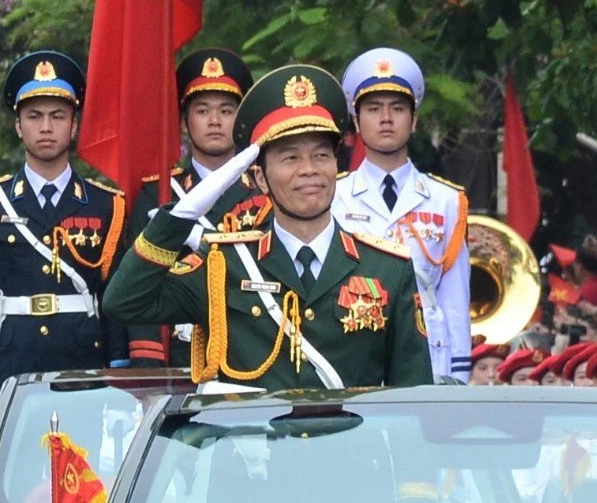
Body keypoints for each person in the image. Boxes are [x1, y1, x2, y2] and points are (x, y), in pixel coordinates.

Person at [104, 63, 432, 390]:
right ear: (260, 178)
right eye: (291, 158)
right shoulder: (224, 265)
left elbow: (413, 391)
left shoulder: (387, 267)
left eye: (321, 155)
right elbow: (124, 301)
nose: (309, 170)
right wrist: (179, 218)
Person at [0, 50, 128, 419]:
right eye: (34, 116)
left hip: (82, 372)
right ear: (19, 126)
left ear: (74, 125)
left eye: (57, 116)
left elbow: (114, 305)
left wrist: (121, 383)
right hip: (9, 372)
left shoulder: (106, 205)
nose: (46, 127)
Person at [331, 48, 471, 382]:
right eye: (373, 109)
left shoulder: (446, 200)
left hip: (429, 358)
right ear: (356, 121)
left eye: (397, 108)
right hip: (355, 354)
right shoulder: (332, 196)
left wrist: (459, 379)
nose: (386, 118)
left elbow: (454, 299)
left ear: (414, 120)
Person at [125, 48, 263, 368]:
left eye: (227, 111)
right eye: (202, 111)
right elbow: (139, 280)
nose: (215, 121)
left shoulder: (264, 191)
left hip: (252, 351)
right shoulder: (157, 195)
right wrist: (150, 364)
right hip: (179, 355)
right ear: (185, 123)